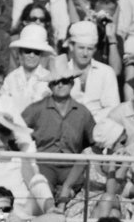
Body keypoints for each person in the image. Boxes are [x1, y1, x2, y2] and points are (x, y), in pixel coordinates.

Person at [22, 59, 96, 196]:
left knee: (71, 191)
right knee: (44, 189)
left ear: (72, 83)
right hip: (44, 165)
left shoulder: (83, 113)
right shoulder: (36, 109)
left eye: (65, 81)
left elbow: (94, 141)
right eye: (56, 82)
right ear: (50, 86)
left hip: (72, 167)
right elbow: (17, 131)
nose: (60, 85)